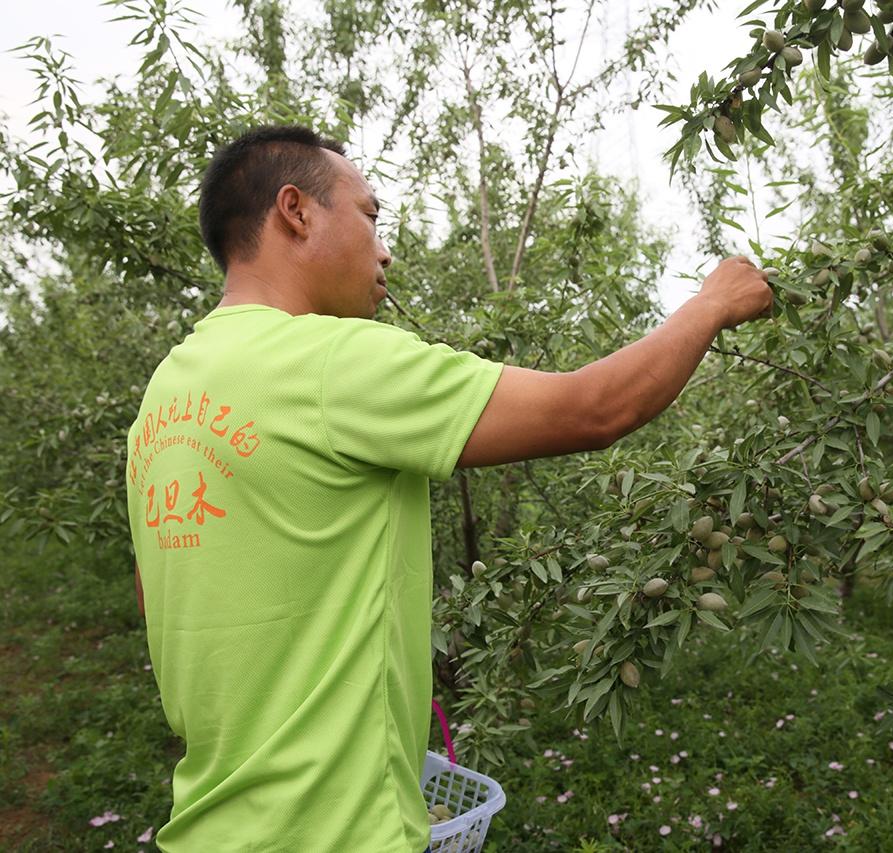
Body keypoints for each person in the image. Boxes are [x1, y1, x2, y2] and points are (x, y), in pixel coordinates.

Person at [125, 124, 773, 852]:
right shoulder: (330, 361)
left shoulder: (164, 400)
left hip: (209, 827)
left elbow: (162, 597)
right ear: (296, 210)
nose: (384, 248)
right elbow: (594, 408)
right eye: (370, 215)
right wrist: (712, 301)